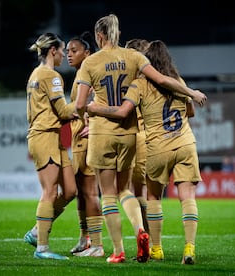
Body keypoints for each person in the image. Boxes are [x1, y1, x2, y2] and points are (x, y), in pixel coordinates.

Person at [75, 14, 207, 264]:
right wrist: (191, 92)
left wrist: (89, 113)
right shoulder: (147, 65)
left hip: (124, 136)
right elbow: (171, 89)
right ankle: (180, 245)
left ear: (99, 35)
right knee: (141, 192)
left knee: (120, 195)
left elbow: (90, 105)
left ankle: (126, 250)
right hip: (160, 138)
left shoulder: (97, 65)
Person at [23, 32, 77, 260]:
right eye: (63, 50)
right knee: (50, 192)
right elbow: (64, 112)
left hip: (51, 136)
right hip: (44, 136)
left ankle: (37, 230)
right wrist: (86, 103)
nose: (65, 55)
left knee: (71, 190)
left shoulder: (35, 74)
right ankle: (42, 247)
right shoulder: (51, 76)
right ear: (53, 50)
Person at [65, 31, 104, 257]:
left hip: (87, 140)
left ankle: (97, 244)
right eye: (68, 51)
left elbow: (93, 104)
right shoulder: (81, 74)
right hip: (79, 140)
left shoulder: (88, 74)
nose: (69, 55)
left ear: (87, 53)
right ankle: (85, 238)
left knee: (90, 192)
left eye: (74, 50)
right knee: (81, 191)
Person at [124, 38, 150, 234]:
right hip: (152, 137)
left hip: (137, 135)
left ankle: (146, 238)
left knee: (130, 190)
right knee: (145, 191)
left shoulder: (136, 83)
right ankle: (150, 241)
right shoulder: (157, 79)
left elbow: (123, 111)